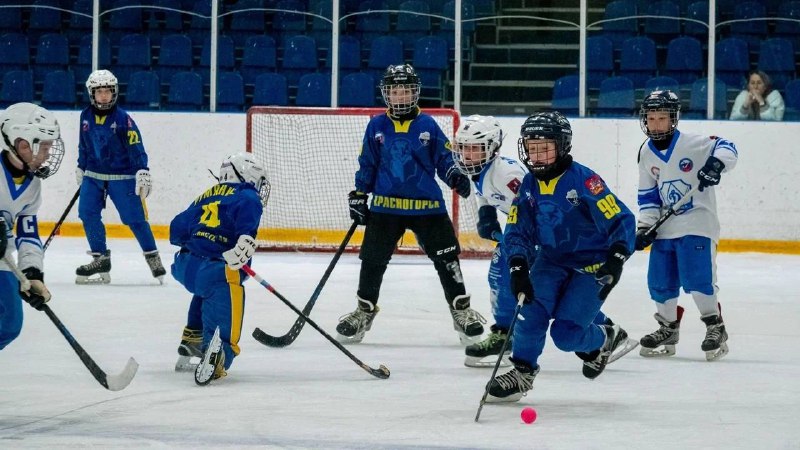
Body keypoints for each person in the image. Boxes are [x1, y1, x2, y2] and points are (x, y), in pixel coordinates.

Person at [450, 115, 637, 371]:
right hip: (542, 247)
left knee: (553, 315)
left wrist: (616, 257)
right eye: (531, 147)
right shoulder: (493, 175)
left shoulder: (564, 179)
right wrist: (489, 217)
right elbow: (513, 213)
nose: (536, 155)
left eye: (475, 148)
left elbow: (616, 218)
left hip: (563, 251)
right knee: (520, 293)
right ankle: (521, 359)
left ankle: (597, 333)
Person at [336, 63, 484, 345]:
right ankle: (363, 310)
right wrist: (359, 193)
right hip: (385, 207)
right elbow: (368, 163)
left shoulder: (427, 125)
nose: (400, 97)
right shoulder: (376, 125)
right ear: (386, 95)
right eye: (395, 91)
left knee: (447, 259)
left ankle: (461, 311)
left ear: (415, 93)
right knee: (372, 260)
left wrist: (455, 176)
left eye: (405, 91)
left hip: (427, 206)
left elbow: (444, 159)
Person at [635, 90, 738, 361]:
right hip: (665, 228)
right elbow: (648, 195)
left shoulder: (694, 143)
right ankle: (668, 327)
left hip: (697, 223)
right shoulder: (646, 152)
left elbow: (727, 146)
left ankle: (715, 326)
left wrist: (716, 165)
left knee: (697, 278)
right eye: (652, 118)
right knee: (659, 280)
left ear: (674, 119)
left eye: (662, 118)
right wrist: (645, 227)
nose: (656, 123)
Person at [169, 152, 269, 383]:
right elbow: (246, 232)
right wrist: (242, 244)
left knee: (205, 292)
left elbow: (176, 229)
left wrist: (200, 242)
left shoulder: (206, 194)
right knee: (226, 287)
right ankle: (220, 353)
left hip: (185, 265)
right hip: (214, 270)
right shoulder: (247, 195)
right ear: (247, 174)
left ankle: (192, 339)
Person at [75, 69, 165, 284]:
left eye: (108, 91)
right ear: (92, 94)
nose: (104, 96)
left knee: (135, 219)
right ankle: (100, 258)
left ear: (114, 93)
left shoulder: (123, 118)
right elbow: (84, 144)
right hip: (93, 175)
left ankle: (152, 256)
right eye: (99, 92)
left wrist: (142, 169)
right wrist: (81, 166)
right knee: (87, 213)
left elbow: (136, 144)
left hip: (122, 176)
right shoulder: (85, 116)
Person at [0, 103, 64, 350]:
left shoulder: (32, 186)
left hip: (2, 257)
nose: (48, 153)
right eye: (44, 146)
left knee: (9, 323)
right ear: (22, 144)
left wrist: (33, 273)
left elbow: (28, 234)